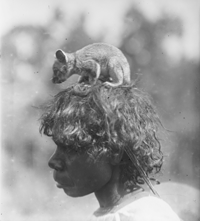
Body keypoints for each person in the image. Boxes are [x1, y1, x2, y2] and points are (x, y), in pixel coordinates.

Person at [40, 82, 181, 221]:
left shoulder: (146, 216)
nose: (53, 162)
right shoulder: (109, 215)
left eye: (71, 147)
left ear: (114, 150)